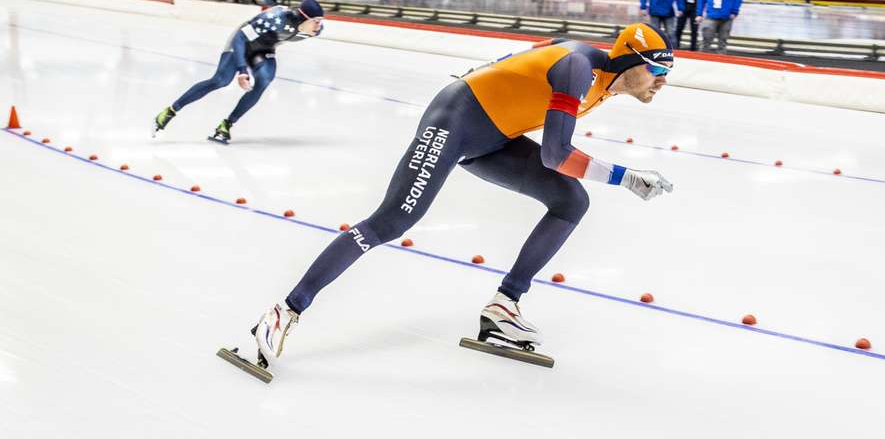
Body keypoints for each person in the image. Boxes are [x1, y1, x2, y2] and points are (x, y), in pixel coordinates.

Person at [233, 23, 676, 376]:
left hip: (494, 137)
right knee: (391, 222)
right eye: (658, 71)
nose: (661, 83)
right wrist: (625, 177)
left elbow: (527, 67)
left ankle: (505, 305)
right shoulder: (580, 67)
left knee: (571, 203)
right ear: (632, 63)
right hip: (455, 121)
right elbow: (556, 153)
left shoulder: (603, 79)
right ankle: (283, 311)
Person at [152, 0, 325, 143]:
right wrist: (243, 70)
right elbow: (240, 37)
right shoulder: (276, 18)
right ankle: (169, 111)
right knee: (221, 80)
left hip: (263, 48)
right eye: (316, 21)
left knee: (265, 79)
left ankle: (226, 125)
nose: (319, 26)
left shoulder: (314, 31)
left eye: (320, 21)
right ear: (303, 17)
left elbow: (276, 39)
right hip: (241, 42)